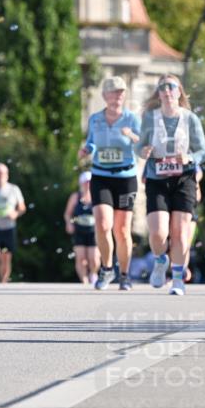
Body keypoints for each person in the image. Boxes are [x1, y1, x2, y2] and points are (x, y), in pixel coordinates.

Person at [137, 73, 205, 296]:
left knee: (180, 232)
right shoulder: (150, 118)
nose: (167, 90)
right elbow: (139, 146)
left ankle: (178, 279)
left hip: (184, 179)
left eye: (171, 86)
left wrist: (190, 158)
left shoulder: (190, 119)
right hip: (157, 179)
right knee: (158, 233)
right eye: (163, 87)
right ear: (158, 94)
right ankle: (161, 260)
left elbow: (203, 150)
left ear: (179, 92)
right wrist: (143, 151)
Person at [78, 76, 141, 291]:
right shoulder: (95, 119)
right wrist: (86, 150)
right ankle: (106, 269)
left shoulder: (132, 119)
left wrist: (131, 135)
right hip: (101, 176)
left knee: (121, 230)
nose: (118, 95)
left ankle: (124, 274)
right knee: (103, 224)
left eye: (121, 92)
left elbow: (143, 146)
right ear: (105, 95)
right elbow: (92, 143)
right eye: (114, 92)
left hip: (126, 178)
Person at [64, 171, 100, 284]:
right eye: (85, 182)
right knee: (81, 258)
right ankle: (84, 281)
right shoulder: (75, 197)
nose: (87, 184)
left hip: (94, 231)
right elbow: (68, 213)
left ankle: (93, 274)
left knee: (94, 258)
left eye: (89, 182)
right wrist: (69, 223)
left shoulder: (97, 196)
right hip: (79, 231)